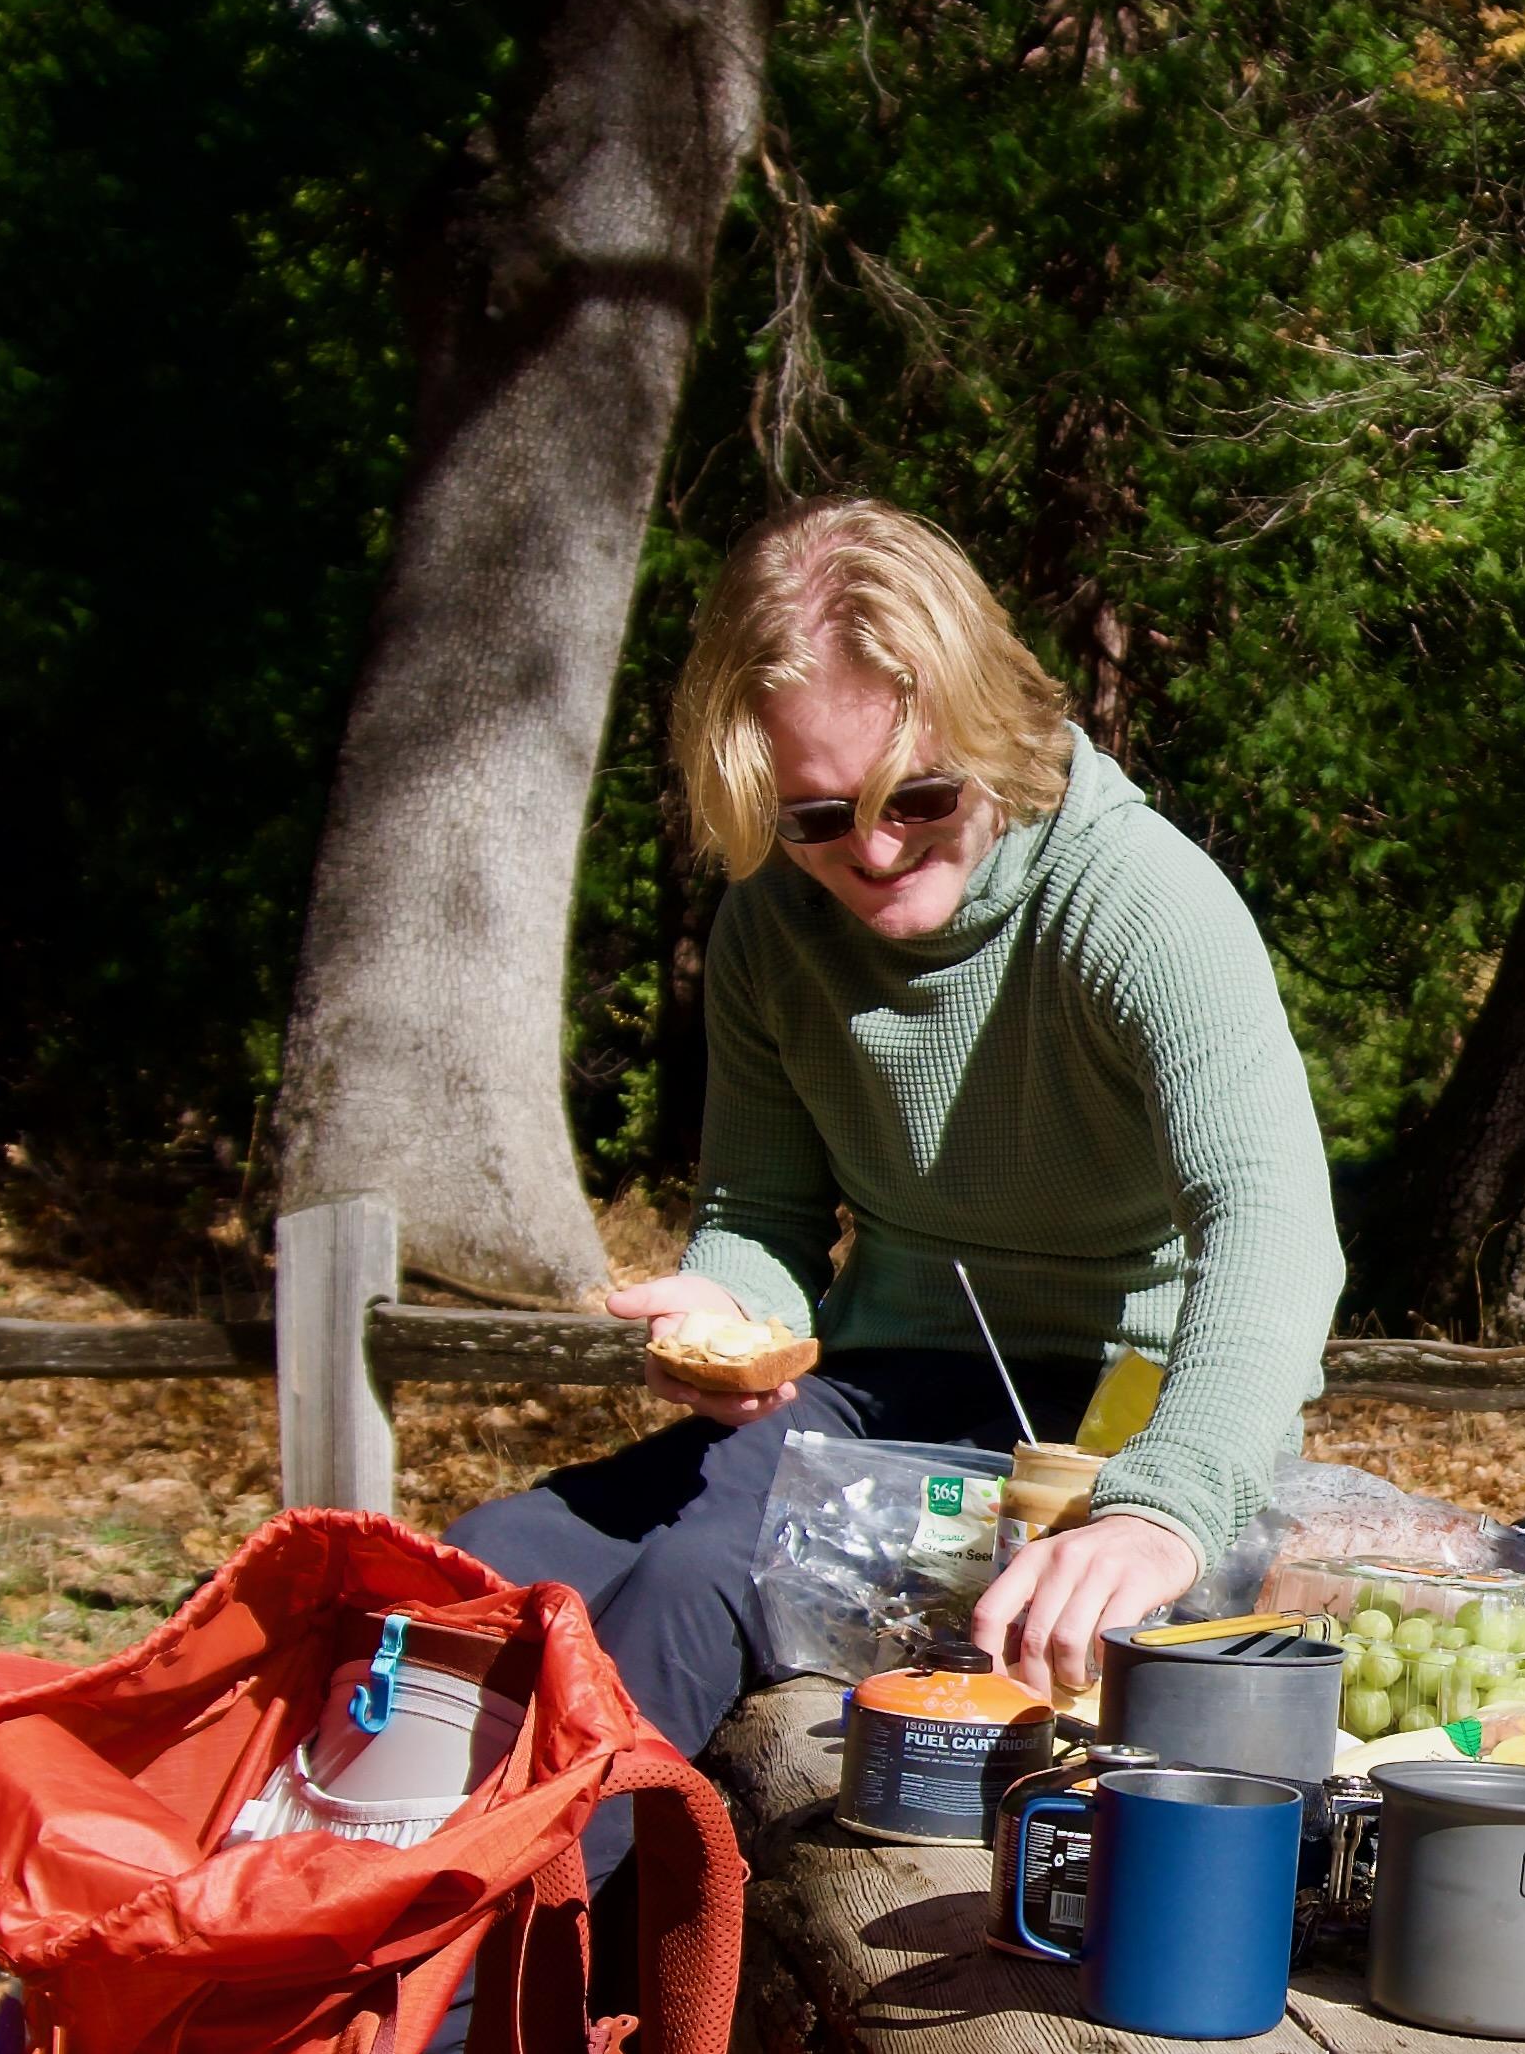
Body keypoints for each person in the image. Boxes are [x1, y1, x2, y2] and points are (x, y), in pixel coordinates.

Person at [451, 500, 1345, 1758]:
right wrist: (723, 1316)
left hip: (1110, 1423)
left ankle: (501, 1945)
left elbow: (1275, 1230)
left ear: (989, 726)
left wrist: (1163, 1510)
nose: (868, 851)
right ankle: (343, 1897)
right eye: (813, 818)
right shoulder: (772, 921)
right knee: (487, 1559)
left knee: (692, 1589)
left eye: (915, 794)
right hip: (877, 1389)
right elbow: (759, 1220)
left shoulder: (1136, 903)